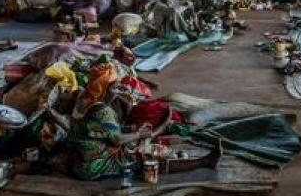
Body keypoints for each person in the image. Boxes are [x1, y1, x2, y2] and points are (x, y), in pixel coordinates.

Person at [68, 64, 221, 180]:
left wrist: (133, 129)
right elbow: (116, 140)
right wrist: (138, 133)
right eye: (114, 87)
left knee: (139, 142)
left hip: (79, 157)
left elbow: (101, 131)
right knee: (146, 159)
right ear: (105, 88)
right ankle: (204, 162)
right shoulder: (103, 111)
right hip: (92, 165)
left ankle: (162, 135)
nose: (117, 90)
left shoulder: (81, 99)